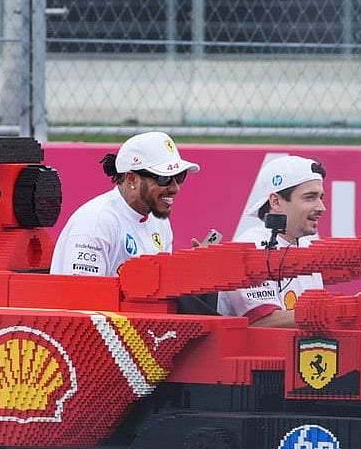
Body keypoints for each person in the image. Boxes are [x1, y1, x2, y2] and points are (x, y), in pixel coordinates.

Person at [50, 131, 200, 276]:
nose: (175, 188)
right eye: (164, 179)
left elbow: (159, 289)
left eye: (179, 176)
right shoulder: (97, 222)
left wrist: (187, 270)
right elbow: (82, 295)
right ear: (131, 179)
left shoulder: (159, 221)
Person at [216, 155, 326, 327]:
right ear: (276, 201)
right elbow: (262, 322)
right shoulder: (248, 249)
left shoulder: (306, 248)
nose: (321, 207)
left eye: (321, 197)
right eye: (310, 197)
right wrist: (336, 313)